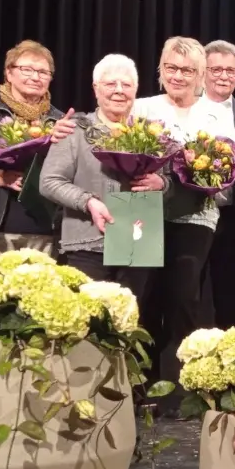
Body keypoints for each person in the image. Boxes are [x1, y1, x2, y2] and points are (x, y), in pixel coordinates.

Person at [133, 37, 225, 385]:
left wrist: (191, 171)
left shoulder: (214, 114)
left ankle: (177, 385)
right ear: (161, 70)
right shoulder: (142, 108)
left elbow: (225, 171)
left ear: (201, 74)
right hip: (146, 213)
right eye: (171, 67)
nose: (179, 76)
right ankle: (141, 384)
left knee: (184, 298)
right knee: (145, 296)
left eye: (187, 70)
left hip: (195, 215)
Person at [39, 54, 167, 297]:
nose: (119, 91)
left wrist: (161, 182)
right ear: (96, 89)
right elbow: (49, 181)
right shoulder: (74, 129)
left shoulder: (149, 133)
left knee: (128, 322)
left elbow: (167, 180)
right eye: (110, 84)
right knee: (88, 322)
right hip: (88, 241)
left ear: (136, 90)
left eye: (126, 85)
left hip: (137, 242)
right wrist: (89, 201)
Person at [0, 40, 76, 257]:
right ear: (9, 73)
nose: (35, 77)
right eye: (27, 69)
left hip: (44, 232)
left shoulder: (60, 121)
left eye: (43, 72)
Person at [197, 40, 235, 329]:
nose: (223, 76)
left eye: (230, 70)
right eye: (216, 69)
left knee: (230, 295)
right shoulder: (189, 108)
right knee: (189, 292)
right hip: (192, 211)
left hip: (234, 214)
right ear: (203, 72)